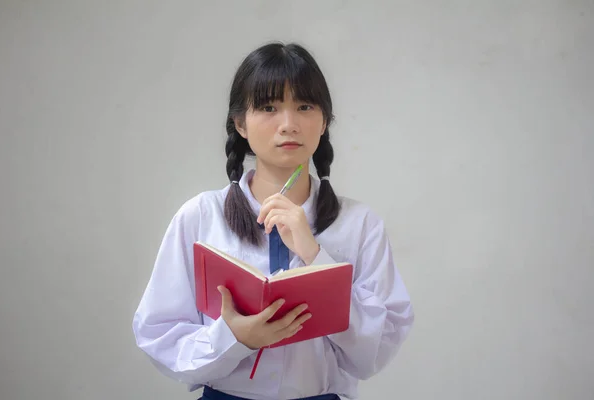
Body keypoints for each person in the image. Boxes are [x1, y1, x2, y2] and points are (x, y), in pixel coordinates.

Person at [132, 42, 414, 400]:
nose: (289, 124)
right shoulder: (201, 216)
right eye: (268, 107)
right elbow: (159, 334)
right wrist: (234, 338)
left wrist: (316, 257)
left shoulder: (360, 224)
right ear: (240, 123)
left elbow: (374, 352)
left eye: (304, 107)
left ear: (324, 120)